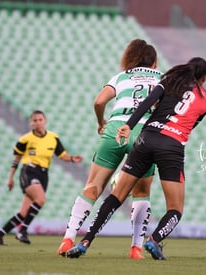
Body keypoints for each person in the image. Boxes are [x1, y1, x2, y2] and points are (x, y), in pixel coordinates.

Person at [65, 57, 206, 260]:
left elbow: (147, 102)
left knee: (116, 196)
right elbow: (191, 124)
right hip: (172, 146)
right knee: (175, 210)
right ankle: (153, 240)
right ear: (203, 79)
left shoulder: (169, 81)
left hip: (147, 138)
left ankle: (85, 242)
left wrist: (129, 125)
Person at [57, 39, 162, 259]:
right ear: (153, 62)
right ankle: (135, 248)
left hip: (116, 128)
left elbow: (98, 102)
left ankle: (68, 238)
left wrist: (100, 122)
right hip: (145, 132)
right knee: (141, 192)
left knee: (93, 186)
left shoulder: (121, 77)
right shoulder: (161, 78)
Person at [0, 110, 83, 245]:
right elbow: (16, 160)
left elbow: (62, 155)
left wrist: (73, 159)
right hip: (29, 171)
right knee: (40, 199)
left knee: (23, 213)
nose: (38, 122)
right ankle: (22, 231)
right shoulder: (25, 139)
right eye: (35, 120)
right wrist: (10, 178)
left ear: (45, 121)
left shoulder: (53, 138)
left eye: (40, 119)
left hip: (44, 174)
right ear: (31, 123)